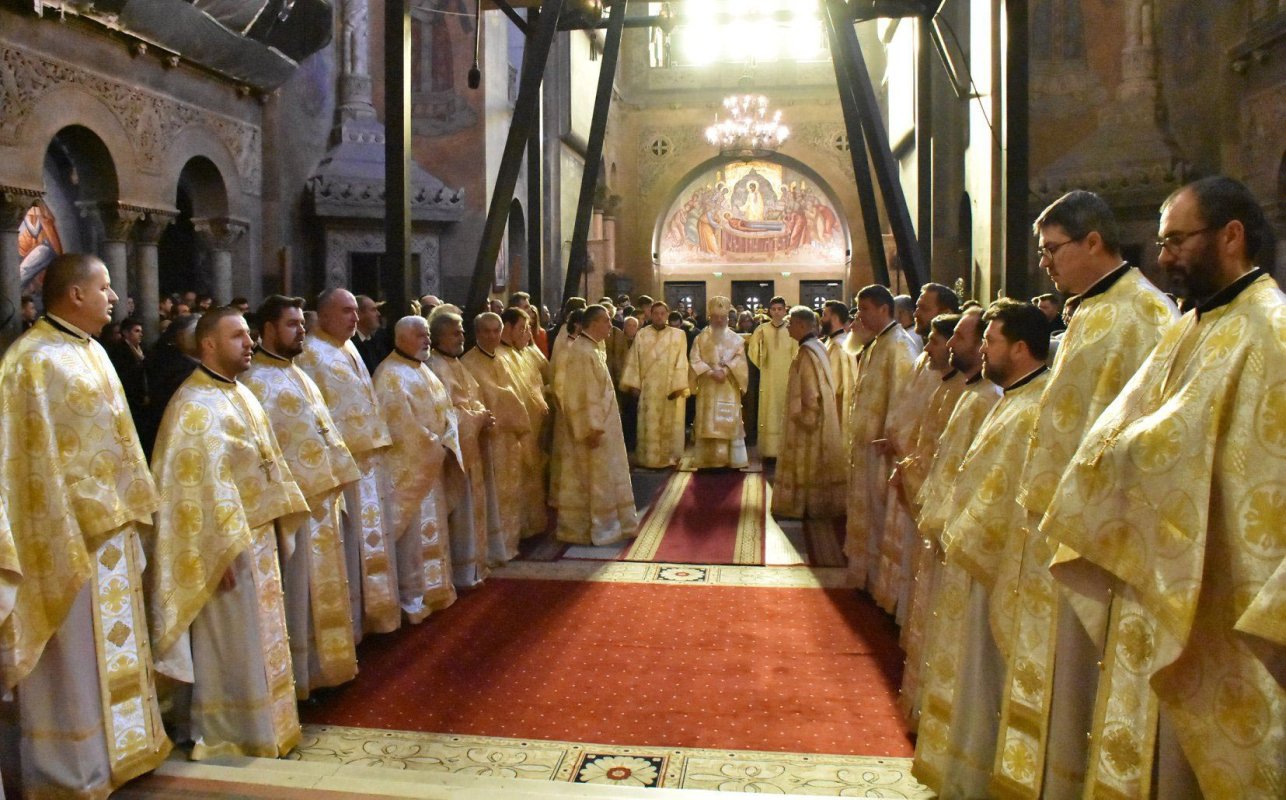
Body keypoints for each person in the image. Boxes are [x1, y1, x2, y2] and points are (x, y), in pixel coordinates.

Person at [1040, 177, 1283, 799]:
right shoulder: (1190, 326)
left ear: (1231, 235)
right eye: (1162, 242)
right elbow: (1121, 428)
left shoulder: (1270, 331)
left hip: (1224, 588)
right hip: (1160, 567)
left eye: (1176, 240)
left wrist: (1128, 459)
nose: (1164, 257)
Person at [992, 189, 1177, 800]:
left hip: (1095, 530)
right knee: (1056, 674)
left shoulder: (1143, 313)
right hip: (1056, 521)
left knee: (1080, 673)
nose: (1045, 262)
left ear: (1093, 242)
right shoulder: (1090, 311)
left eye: (1053, 250)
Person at [0, 254, 170, 795]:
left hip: (111, 531)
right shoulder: (30, 361)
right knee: (70, 662)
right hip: (64, 534)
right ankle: (69, 773)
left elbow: (120, 441)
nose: (114, 297)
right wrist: (56, 526)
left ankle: (120, 753)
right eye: (105, 287)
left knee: (110, 650)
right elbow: (21, 459)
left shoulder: (93, 351)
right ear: (75, 294)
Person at [149, 306, 309, 759]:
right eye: (238, 336)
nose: (249, 344)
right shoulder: (193, 406)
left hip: (254, 539)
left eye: (248, 336)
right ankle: (226, 729)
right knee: (229, 643)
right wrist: (209, 554)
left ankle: (264, 725)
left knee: (256, 640)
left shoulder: (240, 393)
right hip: (223, 550)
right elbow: (187, 491)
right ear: (209, 345)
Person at [912, 300, 1051, 797]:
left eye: (990, 341)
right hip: (969, 555)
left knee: (983, 675)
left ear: (1018, 347)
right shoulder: (1011, 399)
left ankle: (976, 774)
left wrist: (955, 533)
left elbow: (1002, 496)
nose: (982, 350)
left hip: (989, 566)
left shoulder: (1029, 409)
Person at [242, 295, 361, 698]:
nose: (301, 330)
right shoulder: (254, 382)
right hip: (291, 507)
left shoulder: (299, 373)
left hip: (321, 501)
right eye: (291, 324)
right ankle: (295, 679)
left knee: (319, 589)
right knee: (294, 594)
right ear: (268, 329)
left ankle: (320, 668)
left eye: (301, 323)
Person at [900, 308, 1001, 727]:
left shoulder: (988, 400)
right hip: (939, 525)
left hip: (957, 534)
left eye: (960, 336)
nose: (953, 343)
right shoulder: (965, 392)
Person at [296, 289, 400, 639]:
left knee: (368, 541)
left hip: (367, 461)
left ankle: (374, 614)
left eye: (356, 311)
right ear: (323, 316)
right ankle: (354, 623)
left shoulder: (347, 347)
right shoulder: (311, 354)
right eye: (346, 311)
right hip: (343, 467)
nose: (354, 318)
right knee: (350, 546)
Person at [878, 313, 965, 626]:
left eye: (933, 340)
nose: (925, 347)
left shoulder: (966, 393)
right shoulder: (946, 385)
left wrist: (909, 467)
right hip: (919, 484)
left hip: (936, 502)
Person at [372, 317, 461, 620]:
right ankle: (412, 599)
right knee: (412, 539)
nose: (427, 341)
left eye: (427, 335)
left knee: (435, 532)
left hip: (431, 463)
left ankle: (434, 590)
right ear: (402, 337)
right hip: (411, 469)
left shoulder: (422, 369)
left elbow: (445, 408)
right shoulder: (390, 375)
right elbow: (400, 428)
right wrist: (436, 445)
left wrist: (449, 435)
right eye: (420, 336)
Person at [844, 285, 920, 587]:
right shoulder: (877, 343)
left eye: (864, 309)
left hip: (882, 451)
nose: (859, 316)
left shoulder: (898, 345)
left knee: (879, 514)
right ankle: (865, 575)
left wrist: (891, 439)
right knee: (868, 513)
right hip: (865, 449)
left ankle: (879, 581)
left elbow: (904, 401)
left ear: (884, 309)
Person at [551, 305, 637, 545]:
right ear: (594, 323)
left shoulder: (593, 348)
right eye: (607, 321)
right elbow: (584, 393)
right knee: (594, 478)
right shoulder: (582, 351)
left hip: (605, 425)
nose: (611, 326)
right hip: (593, 429)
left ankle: (611, 523)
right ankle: (594, 527)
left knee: (604, 475)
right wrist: (592, 428)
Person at [426, 309, 495, 583]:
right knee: (460, 513)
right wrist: (475, 418)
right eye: (456, 332)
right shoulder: (435, 366)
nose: (462, 336)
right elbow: (444, 414)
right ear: (439, 336)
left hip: (470, 445)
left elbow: (471, 396)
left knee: (472, 508)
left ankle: (475, 566)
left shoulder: (455, 363)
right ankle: (462, 570)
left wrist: (480, 414)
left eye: (462, 331)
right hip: (454, 453)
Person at [464, 312, 537, 559]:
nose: (492, 336)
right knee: (493, 494)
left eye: (496, 331)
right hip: (489, 439)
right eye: (486, 331)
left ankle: (509, 543)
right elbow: (489, 396)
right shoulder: (469, 363)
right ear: (477, 334)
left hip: (509, 437)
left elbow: (514, 393)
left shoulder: (502, 360)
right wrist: (508, 402)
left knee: (510, 491)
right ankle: (493, 549)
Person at [772, 306, 845, 519]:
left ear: (802, 325)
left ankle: (803, 505)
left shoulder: (807, 352)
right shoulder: (818, 347)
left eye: (791, 324)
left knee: (807, 465)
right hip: (816, 419)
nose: (787, 329)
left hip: (807, 423)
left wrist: (806, 417)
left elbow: (810, 390)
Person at [620, 301, 690, 469]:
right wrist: (634, 384)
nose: (659, 316)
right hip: (648, 387)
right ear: (651, 315)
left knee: (669, 423)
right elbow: (634, 361)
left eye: (662, 313)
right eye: (656, 313)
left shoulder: (678, 335)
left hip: (670, 387)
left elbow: (682, 362)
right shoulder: (642, 334)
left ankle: (669, 458)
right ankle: (648, 458)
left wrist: (678, 386)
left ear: (667, 315)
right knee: (648, 423)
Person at [690, 296, 750, 469]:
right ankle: (707, 461)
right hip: (708, 386)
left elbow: (740, 360)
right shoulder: (700, 338)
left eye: (722, 317)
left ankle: (731, 459)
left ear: (728, 318)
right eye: (715, 317)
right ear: (710, 317)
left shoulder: (736, 340)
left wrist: (725, 370)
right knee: (707, 423)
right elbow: (694, 359)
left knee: (728, 421)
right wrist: (709, 372)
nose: (719, 320)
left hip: (727, 386)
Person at [745, 296, 796, 459]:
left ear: (785, 310)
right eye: (773, 309)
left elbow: (797, 352)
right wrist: (760, 350)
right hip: (768, 374)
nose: (776, 312)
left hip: (787, 374)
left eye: (780, 309)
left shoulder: (791, 329)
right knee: (768, 408)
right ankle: (768, 449)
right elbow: (753, 352)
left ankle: (786, 448)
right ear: (769, 311)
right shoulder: (761, 329)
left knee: (784, 408)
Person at [108, 315, 150, 426]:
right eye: (136, 331)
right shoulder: (119, 351)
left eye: (141, 331)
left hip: (141, 396)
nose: (141, 334)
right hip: (130, 397)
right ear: (126, 333)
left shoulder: (143, 348)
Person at [351, 294, 391, 376]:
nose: (378, 314)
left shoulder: (378, 342)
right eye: (373, 310)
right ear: (358, 314)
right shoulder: (350, 344)